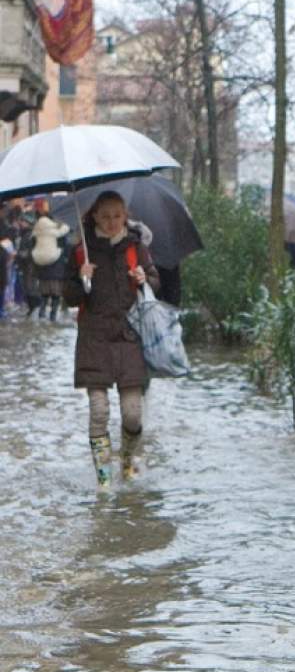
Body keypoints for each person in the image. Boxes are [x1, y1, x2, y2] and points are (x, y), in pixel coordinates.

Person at [62, 191, 160, 489]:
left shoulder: (136, 248)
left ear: (125, 214)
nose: (112, 222)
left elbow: (156, 282)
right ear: (94, 217)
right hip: (94, 341)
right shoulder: (81, 251)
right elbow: (69, 298)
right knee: (99, 411)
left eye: (117, 215)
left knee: (132, 414)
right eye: (105, 216)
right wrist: (81, 278)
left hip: (130, 339)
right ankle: (103, 480)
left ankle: (128, 463)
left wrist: (145, 278)